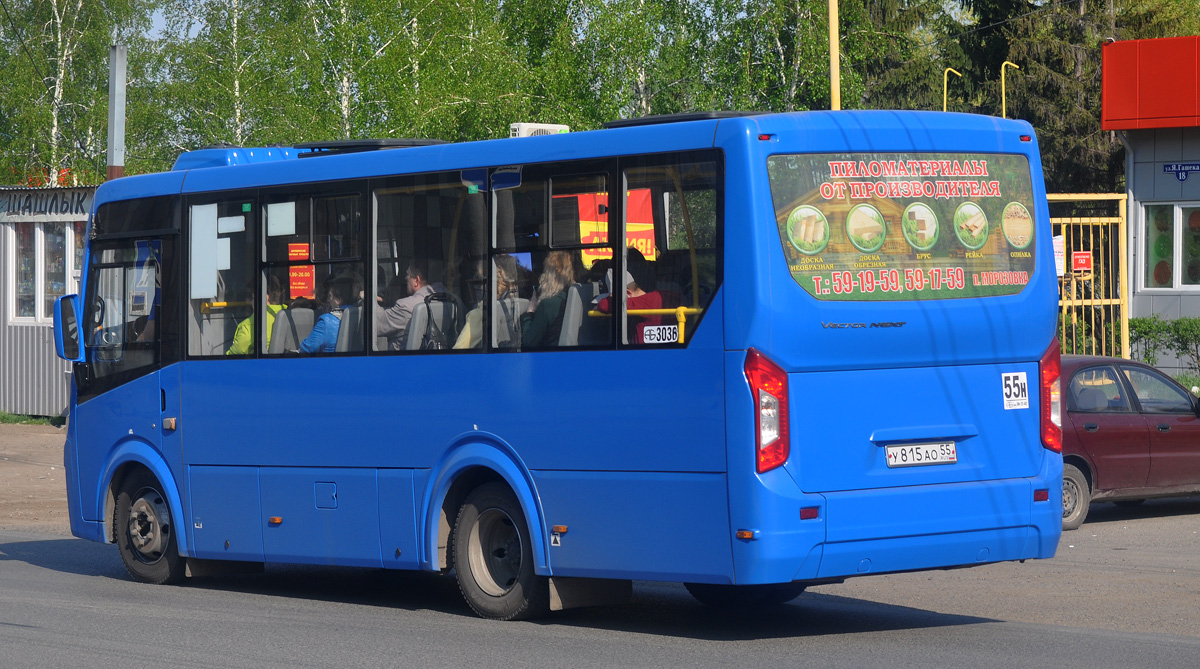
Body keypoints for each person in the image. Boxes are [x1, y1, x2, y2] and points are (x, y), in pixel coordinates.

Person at [596, 248, 680, 344]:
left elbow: (604, 305)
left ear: (627, 293)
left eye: (612, 296)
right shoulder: (669, 295)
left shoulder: (637, 304)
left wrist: (601, 305)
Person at [375, 262, 446, 350]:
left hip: (399, 361)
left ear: (416, 280)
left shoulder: (405, 307)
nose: (405, 278)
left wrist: (368, 299)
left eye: (407, 275)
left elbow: (374, 324)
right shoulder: (453, 300)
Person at [455, 254, 519, 349]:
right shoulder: (524, 305)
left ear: (490, 283)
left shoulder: (481, 314)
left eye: (481, 280)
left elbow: (458, 352)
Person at [520, 250, 576, 348]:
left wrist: (530, 312)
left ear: (550, 275)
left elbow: (529, 342)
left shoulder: (548, 305)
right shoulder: (573, 297)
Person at [227, 275, 286, 355]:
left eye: (252, 298)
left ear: (265, 298)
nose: (250, 302)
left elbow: (236, 353)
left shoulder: (250, 324)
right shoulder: (288, 315)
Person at [300, 273, 356, 353]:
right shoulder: (357, 315)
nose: (328, 300)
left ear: (338, 299)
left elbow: (306, 349)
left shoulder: (326, 322)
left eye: (330, 296)